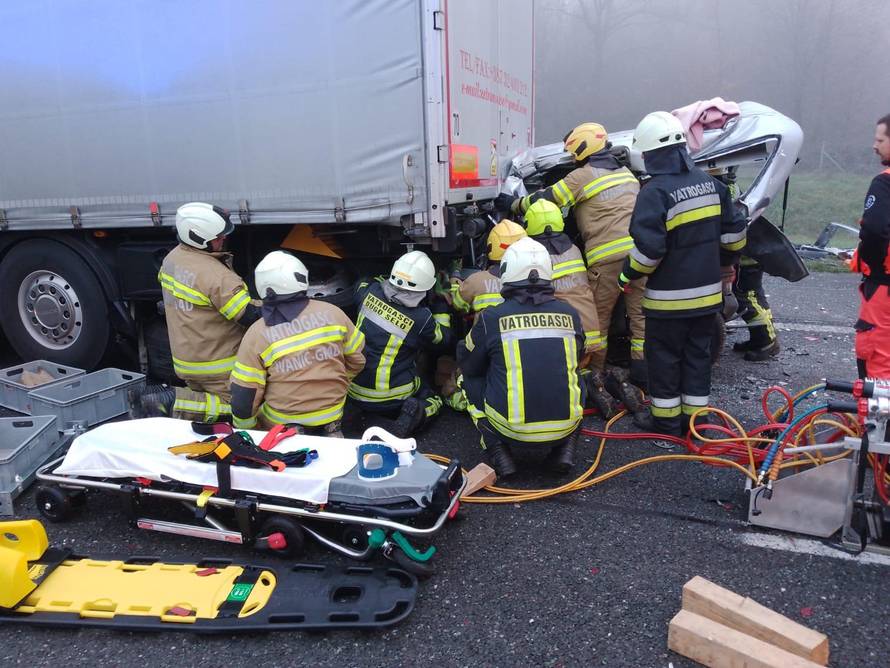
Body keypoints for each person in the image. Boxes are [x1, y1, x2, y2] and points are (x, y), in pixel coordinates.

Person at [618, 111, 746, 436]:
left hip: (668, 305)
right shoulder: (713, 186)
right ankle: (696, 421)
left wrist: (626, 275)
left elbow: (649, 251)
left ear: (649, 155)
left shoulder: (654, 193)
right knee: (697, 358)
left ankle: (665, 422)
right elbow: (734, 236)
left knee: (664, 361)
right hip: (707, 299)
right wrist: (725, 263)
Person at [506, 122, 645, 415]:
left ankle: (595, 378)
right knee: (640, 320)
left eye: (573, 153)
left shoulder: (581, 176)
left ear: (582, 149)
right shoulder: (627, 174)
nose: (572, 159)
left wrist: (514, 204)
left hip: (606, 261)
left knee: (597, 322)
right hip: (639, 256)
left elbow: (546, 199)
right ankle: (642, 378)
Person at [458, 237, 585, 477]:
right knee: (577, 377)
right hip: (564, 426)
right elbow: (578, 356)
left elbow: (470, 365)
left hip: (510, 429)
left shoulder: (492, 317)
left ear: (508, 273)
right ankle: (565, 448)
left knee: (467, 380)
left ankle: (498, 450)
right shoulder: (570, 313)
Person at [131, 202, 260, 421]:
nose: (223, 240)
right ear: (198, 238)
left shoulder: (172, 260)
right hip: (220, 364)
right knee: (243, 409)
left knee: (208, 402)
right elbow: (248, 315)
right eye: (217, 237)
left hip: (188, 360)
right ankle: (172, 402)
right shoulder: (217, 276)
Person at [230, 250, 365, 435]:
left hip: (283, 423)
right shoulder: (334, 313)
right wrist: (337, 381)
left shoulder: (257, 333)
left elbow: (244, 394)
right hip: (332, 413)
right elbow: (357, 359)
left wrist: (247, 429)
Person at [347, 250, 452, 437]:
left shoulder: (369, 292)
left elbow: (362, 282)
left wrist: (382, 278)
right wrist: (441, 306)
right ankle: (416, 415)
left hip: (353, 390)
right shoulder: (421, 318)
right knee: (434, 397)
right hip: (392, 397)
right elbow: (443, 339)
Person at [442, 220, 527, 410]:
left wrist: (455, 280)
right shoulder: (537, 282)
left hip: (484, 352)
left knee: (456, 392)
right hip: (524, 351)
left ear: (491, 249)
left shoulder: (477, 281)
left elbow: (458, 305)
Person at [851, 112, 890, 378]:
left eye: (880, 139)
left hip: (883, 288)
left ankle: (877, 420)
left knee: (877, 364)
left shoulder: (884, 183)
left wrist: (870, 261)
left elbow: (874, 231)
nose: (874, 146)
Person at [450, 220, 527, 319]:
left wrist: (455, 278)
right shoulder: (537, 279)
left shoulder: (476, 281)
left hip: (485, 333)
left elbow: (457, 305)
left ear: (491, 246)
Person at [732, 256, 779, 361]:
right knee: (756, 297)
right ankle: (759, 340)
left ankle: (767, 343)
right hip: (752, 259)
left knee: (745, 299)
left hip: (743, 261)